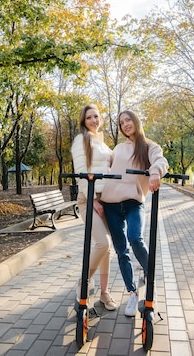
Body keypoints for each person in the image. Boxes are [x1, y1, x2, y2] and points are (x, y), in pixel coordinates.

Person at [100, 110, 169, 317]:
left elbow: (161, 161)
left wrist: (155, 173)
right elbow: (105, 166)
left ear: (136, 121)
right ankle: (131, 292)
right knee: (122, 251)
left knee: (135, 238)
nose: (125, 124)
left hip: (133, 203)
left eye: (128, 120)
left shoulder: (149, 146)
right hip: (111, 204)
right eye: (121, 122)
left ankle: (149, 276)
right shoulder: (118, 148)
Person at [70, 104, 117, 311]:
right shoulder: (81, 140)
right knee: (102, 244)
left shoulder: (102, 143)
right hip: (88, 199)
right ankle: (84, 281)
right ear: (83, 120)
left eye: (96, 116)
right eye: (89, 117)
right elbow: (82, 174)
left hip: (106, 199)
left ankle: (104, 293)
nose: (94, 120)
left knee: (108, 249)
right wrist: (93, 201)